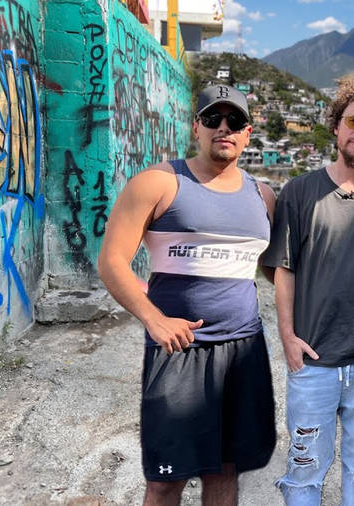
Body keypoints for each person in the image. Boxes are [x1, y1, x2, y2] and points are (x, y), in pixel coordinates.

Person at [97, 84, 277, 506]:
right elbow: (111, 261)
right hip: (179, 351)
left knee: (225, 471)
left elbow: (277, 271)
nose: (224, 128)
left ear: (248, 133)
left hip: (244, 349)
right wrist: (154, 319)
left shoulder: (263, 196)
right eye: (213, 119)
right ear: (197, 127)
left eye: (235, 121)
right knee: (165, 481)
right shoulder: (158, 183)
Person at [262, 74, 354, 506]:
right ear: (335, 125)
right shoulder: (299, 192)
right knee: (304, 472)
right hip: (313, 362)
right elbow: (284, 270)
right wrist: (288, 338)